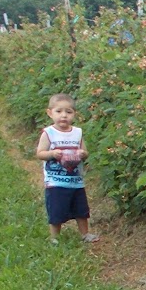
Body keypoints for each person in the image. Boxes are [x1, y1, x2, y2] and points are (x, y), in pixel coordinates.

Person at [35, 94, 99, 244]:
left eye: (68, 112)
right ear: (50, 113)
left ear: (74, 114)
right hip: (56, 181)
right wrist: (52, 154)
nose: (64, 116)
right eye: (59, 111)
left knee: (81, 210)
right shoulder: (48, 133)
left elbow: (85, 151)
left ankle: (85, 234)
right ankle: (54, 237)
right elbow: (40, 153)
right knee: (56, 210)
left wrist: (82, 154)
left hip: (76, 180)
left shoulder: (77, 132)